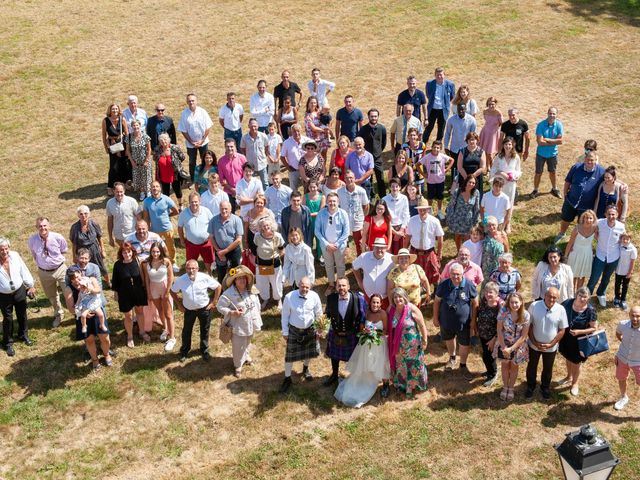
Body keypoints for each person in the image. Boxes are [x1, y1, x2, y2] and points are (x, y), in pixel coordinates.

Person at [334, 293, 391, 406]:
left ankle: (385, 384)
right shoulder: (366, 313)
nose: (375, 304)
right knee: (366, 363)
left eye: (377, 302)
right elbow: (362, 329)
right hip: (366, 343)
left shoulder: (383, 314)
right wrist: (366, 333)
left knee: (382, 363)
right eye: (373, 302)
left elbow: (385, 330)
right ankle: (365, 380)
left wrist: (376, 334)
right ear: (370, 303)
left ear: (381, 304)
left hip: (379, 343)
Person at [171, 259, 221, 362]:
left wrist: (214, 302)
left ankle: (204, 350)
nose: (191, 270)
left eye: (193, 268)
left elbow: (218, 286)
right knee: (187, 331)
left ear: (197, 269)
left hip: (204, 308)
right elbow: (172, 291)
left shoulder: (204, 278)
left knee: (205, 330)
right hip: (189, 310)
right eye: (189, 268)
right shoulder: (181, 280)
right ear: (185, 269)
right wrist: (179, 304)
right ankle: (184, 351)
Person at [433, 263, 478, 378]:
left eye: (458, 274)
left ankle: (463, 365)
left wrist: (473, 320)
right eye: (453, 274)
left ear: (462, 274)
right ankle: (452, 358)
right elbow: (437, 301)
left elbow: (475, 303)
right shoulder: (444, 284)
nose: (455, 277)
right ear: (449, 274)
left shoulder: (469, 285)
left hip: (464, 323)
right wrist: (435, 317)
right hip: (446, 321)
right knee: (449, 339)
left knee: (464, 343)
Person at [217, 265, 262, 377]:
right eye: (239, 278)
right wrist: (232, 313)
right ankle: (238, 365)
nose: (242, 280)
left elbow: (257, 304)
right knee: (238, 345)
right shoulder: (228, 294)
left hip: (251, 322)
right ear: (234, 280)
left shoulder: (251, 290)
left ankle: (246, 356)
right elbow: (220, 306)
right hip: (238, 325)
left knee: (248, 341)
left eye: (244, 278)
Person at [279, 277, 323, 393]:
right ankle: (287, 378)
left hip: (310, 330)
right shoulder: (289, 297)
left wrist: (320, 330)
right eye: (302, 286)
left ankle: (305, 369)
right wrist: (285, 332)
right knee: (290, 355)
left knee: (309, 352)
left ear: (310, 287)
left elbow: (319, 314)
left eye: (307, 287)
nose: (304, 289)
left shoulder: (314, 296)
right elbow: (285, 316)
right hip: (294, 331)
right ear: (298, 284)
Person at [554, 150, 605, 244]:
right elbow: (567, 182)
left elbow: (612, 178)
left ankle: (579, 239)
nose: (590, 162)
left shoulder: (601, 172)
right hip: (571, 201)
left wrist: (622, 185)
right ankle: (562, 234)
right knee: (566, 218)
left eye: (592, 160)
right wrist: (565, 195)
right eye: (588, 160)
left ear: (596, 161)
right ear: (585, 159)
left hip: (587, 206)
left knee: (583, 224)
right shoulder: (576, 167)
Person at [65, 269, 112, 370]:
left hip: (97, 311)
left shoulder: (91, 279)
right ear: (71, 280)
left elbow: (98, 290)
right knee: (89, 340)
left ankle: (106, 354)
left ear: (81, 274)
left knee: (105, 338)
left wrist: (88, 287)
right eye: (74, 279)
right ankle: (95, 360)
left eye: (78, 277)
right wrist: (83, 313)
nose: (77, 280)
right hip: (83, 316)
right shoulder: (69, 289)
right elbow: (71, 308)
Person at [526, 287, 568, 399]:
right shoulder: (534, 306)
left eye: (555, 297)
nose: (552, 299)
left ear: (558, 298)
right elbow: (528, 326)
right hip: (533, 345)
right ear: (544, 295)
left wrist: (552, 344)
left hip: (550, 348)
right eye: (549, 296)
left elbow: (562, 330)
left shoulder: (561, 310)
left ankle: (545, 387)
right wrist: (534, 342)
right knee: (531, 366)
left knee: (548, 368)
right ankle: (530, 386)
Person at [27, 217, 68, 327]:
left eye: (45, 225)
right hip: (44, 272)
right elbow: (34, 255)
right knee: (52, 296)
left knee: (69, 292)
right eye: (40, 226)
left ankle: (77, 313)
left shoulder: (58, 237)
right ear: (36, 227)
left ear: (49, 226)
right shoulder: (32, 240)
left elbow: (64, 250)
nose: (43, 228)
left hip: (60, 269)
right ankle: (59, 314)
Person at [388, 287, 429, 397]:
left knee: (414, 365)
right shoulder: (391, 310)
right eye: (395, 297)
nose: (398, 299)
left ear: (405, 297)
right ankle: (402, 385)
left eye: (400, 296)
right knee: (401, 366)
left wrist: (425, 341)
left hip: (413, 345)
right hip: (398, 346)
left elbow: (422, 325)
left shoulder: (412, 308)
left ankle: (413, 387)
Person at [323, 278, 364, 387]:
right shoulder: (331, 298)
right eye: (339, 285)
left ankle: (354, 377)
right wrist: (322, 325)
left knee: (354, 357)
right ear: (336, 287)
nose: (341, 288)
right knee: (334, 356)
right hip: (336, 332)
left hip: (351, 334)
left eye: (343, 285)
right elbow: (327, 314)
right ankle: (334, 375)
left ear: (349, 286)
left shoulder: (357, 298)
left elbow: (362, 315)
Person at [557, 287, 598, 396]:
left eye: (585, 297)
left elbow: (594, 328)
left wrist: (580, 331)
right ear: (576, 295)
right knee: (567, 357)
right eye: (580, 295)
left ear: (588, 298)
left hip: (579, 341)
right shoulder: (567, 303)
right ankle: (568, 377)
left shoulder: (590, 310)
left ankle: (575, 383)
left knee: (576, 362)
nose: (582, 298)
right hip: (566, 338)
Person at [0, 238, 36, 357]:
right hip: (3, 295)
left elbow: (23, 270)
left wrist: (30, 286)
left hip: (19, 291)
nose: (4, 252)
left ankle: (23, 335)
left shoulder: (15, 256)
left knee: (22, 314)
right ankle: (8, 343)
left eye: (6, 248)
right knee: (8, 319)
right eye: (1, 249)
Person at [587, 205, 626, 307]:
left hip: (614, 257)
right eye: (609, 214)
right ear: (605, 214)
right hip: (600, 255)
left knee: (606, 278)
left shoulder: (621, 227)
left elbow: (624, 238)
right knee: (594, 278)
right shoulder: (600, 223)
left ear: (617, 215)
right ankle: (587, 296)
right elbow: (592, 229)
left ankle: (601, 293)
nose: (611, 216)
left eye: (613, 214)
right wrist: (595, 235)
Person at [494, 292, 530, 401]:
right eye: (512, 302)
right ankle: (505, 387)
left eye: (516, 302)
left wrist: (511, 349)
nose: (514, 305)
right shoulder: (503, 312)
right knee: (505, 366)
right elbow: (499, 329)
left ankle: (511, 388)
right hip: (504, 342)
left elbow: (524, 336)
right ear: (508, 303)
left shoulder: (525, 315)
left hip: (518, 345)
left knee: (514, 366)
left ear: (521, 302)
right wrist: (504, 346)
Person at [111, 242, 148, 348]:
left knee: (140, 312)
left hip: (138, 292)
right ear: (121, 253)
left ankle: (142, 332)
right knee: (129, 316)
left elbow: (144, 277)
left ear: (132, 252)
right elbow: (115, 281)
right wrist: (115, 293)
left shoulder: (138, 262)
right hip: (124, 293)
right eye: (124, 252)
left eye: (129, 251)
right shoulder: (118, 265)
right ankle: (130, 336)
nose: (127, 254)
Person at [142, 241, 175, 351]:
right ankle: (165, 329)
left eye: (157, 251)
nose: (155, 254)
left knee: (168, 313)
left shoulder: (166, 262)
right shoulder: (147, 263)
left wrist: (167, 291)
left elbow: (171, 277)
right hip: (153, 288)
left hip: (164, 287)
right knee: (160, 311)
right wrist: (148, 292)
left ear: (161, 251)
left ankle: (172, 338)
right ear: (150, 252)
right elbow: (146, 279)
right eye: (153, 252)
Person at [315, 193, 350, 295]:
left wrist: (337, 244)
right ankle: (331, 284)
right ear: (326, 202)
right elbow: (317, 231)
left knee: (340, 265)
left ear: (338, 202)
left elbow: (346, 232)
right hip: (326, 246)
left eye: (334, 201)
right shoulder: (321, 214)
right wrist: (326, 244)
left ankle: (341, 286)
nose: (332, 203)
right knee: (329, 265)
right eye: (330, 201)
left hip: (339, 246)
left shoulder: (343, 213)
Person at [406, 197, 444, 286]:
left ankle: (436, 292)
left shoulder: (434, 221)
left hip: (429, 252)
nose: (422, 212)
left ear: (428, 209)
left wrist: (439, 252)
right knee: (414, 272)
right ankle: (418, 290)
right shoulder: (412, 220)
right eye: (420, 210)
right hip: (415, 251)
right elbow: (408, 236)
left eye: (424, 210)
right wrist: (405, 250)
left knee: (434, 271)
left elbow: (440, 237)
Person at [143, 181, 179, 270]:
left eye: (156, 186)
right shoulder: (147, 201)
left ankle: (173, 262)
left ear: (160, 188)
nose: (155, 188)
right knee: (156, 248)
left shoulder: (166, 199)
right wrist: (147, 230)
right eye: (153, 187)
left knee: (171, 247)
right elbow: (146, 217)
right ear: (150, 189)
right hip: (154, 230)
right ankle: (158, 262)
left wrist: (168, 215)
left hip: (167, 228)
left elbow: (176, 211)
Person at [69, 205, 108, 285]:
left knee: (101, 266)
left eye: (85, 213)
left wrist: (103, 250)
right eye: (81, 214)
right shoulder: (74, 227)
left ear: (89, 214)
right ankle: (86, 283)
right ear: (78, 215)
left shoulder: (94, 223)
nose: (83, 216)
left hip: (94, 249)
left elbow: (99, 237)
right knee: (83, 268)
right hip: (82, 251)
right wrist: (74, 256)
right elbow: (74, 243)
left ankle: (108, 282)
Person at [474, 282, 503, 388]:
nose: (488, 294)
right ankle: (489, 371)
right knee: (486, 355)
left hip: (493, 337)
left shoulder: (501, 306)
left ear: (497, 293)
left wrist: (494, 339)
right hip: (483, 334)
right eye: (486, 292)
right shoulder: (484, 302)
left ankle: (493, 374)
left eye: (490, 292)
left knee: (489, 356)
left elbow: (503, 325)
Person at [353, 237, 394, 309]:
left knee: (384, 317)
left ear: (386, 248)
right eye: (377, 247)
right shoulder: (364, 257)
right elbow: (354, 267)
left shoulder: (391, 259)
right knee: (368, 315)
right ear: (373, 247)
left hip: (385, 297)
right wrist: (359, 282)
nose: (379, 250)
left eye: (382, 248)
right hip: (368, 295)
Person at [178, 192, 214, 273]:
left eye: (196, 201)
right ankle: (190, 277)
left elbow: (212, 224)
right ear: (189, 202)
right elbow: (180, 227)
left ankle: (210, 274)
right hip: (191, 244)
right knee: (190, 263)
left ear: (199, 201)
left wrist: (211, 237)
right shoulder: (183, 213)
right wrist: (182, 239)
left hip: (206, 243)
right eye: (192, 202)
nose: (194, 203)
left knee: (209, 261)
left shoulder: (206, 211)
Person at [532, 107, 564, 199]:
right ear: (547, 114)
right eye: (550, 113)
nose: (552, 115)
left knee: (553, 172)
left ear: (556, 115)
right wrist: (554, 141)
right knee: (538, 173)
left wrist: (548, 139)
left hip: (553, 154)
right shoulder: (541, 125)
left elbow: (560, 141)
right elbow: (539, 142)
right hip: (541, 154)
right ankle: (535, 189)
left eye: (554, 114)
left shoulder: (559, 125)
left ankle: (554, 189)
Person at [254, 218, 285, 310]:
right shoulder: (257, 236)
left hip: (274, 264)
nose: (266, 227)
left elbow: (281, 249)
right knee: (262, 283)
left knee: (276, 283)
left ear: (271, 226)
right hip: (261, 264)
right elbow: (255, 247)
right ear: (261, 228)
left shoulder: (277, 236)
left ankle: (278, 299)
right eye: (264, 226)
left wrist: (279, 256)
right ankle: (265, 299)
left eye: (268, 225)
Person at [613, 306, 640, 410]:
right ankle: (624, 397)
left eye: (638, 316)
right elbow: (618, 334)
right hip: (622, 357)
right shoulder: (622, 324)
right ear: (629, 315)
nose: (635, 318)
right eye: (632, 316)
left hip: (638, 361)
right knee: (621, 378)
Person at [208, 201, 243, 282]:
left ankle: (235, 287)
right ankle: (222, 290)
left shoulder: (237, 220)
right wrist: (218, 251)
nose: (224, 211)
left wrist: (225, 251)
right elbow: (211, 237)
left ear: (230, 209)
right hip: (219, 251)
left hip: (234, 251)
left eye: (226, 209)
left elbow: (238, 239)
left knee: (235, 272)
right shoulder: (213, 220)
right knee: (221, 272)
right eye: (222, 209)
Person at [337, 170, 369, 257]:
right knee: (342, 243)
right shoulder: (339, 192)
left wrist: (363, 220)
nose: (349, 180)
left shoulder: (361, 191)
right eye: (347, 178)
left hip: (357, 221)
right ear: (344, 179)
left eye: (351, 178)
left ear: (354, 178)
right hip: (345, 221)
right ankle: (341, 261)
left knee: (359, 243)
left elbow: (366, 206)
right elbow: (338, 206)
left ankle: (360, 260)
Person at [444, 103, 477, 185]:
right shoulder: (451, 120)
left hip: (467, 148)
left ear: (465, 109)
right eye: (459, 109)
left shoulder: (472, 120)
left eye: (462, 109)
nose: (461, 111)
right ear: (456, 110)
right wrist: (445, 146)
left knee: (465, 167)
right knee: (454, 167)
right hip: (454, 148)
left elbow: (473, 135)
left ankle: (465, 183)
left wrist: (473, 147)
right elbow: (447, 133)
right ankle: (454, 184)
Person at [565, 210, 597, 291]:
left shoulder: (595, 229)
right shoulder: (577, 228)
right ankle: (571, 294)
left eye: (590, 218)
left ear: (593, 219)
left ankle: (578, 294)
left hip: (587, 254)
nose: (588, 220)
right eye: (586, 218)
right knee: (573, 275)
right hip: (575, 252)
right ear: (583, 218)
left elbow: (599, 239)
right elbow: (570, 243)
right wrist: (565, 256)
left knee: (582, 275)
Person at [421, 140, 454, 220]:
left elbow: (452, 160)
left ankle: (439, 211)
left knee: (440, 197)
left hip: (440, 180)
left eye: (438, 148)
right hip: (430, 181)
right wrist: (423, 174)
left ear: (440, 149)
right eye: (434, 147)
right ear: (431, 147)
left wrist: (447, 169)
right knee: (430, 197)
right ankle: (430, 210)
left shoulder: (442, 156)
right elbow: (418, 164)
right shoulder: (427, 157)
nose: (436, 149)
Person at [446, 175, 480, 250]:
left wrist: (476, 221)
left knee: (467, 239)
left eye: (473, 183)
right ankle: (459, 252)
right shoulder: (457, 191)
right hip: (457, 219)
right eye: (470, 182)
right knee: (457, 237)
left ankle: (466, 253)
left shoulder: (476, 193)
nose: (471, 184)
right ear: (466, 182)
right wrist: (449, 218)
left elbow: (477, 208)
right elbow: (451, 205)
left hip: (469, 220)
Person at [102, 103, 130, 195]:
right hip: (112, 145)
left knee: (123, 164)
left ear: (119, 110)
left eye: (116, 109)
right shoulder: (105, 121)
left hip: (122, 144)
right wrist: (106, 147)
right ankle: (110, 186)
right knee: (113, 167)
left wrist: (127, 149)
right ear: (110, 110)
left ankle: (123, 184)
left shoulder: (122, 119)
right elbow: (103, 135)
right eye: (113, 109)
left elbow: (127, 134)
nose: (115, 111)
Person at [154, 133, 187, 209]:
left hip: (174, 174)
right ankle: (168, 206)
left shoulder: (175, 148)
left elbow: (182, 157)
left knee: (177, 190)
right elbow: (155, 159)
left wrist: (176, 163)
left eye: (165, 140)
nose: (163, 142)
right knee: (165, 192)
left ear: (168, 140)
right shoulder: (157, 149)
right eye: (161, 141)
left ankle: (180, 205)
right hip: (163, 174)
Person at [489, 136, 521, 211]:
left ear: (512, 145)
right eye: (506, 144)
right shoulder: (499, 156)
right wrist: (501, 173)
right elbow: (493, 169)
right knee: (498, 201)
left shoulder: (516, 157)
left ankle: (507, 220)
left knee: (509, 202)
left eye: (509, 144)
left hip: (510, 184)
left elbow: (518, 170)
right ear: (503, 145)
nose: (507, 146)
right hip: (500, 183)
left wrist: (514, 176)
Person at [424, 67, 455, 144]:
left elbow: (451, 96)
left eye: (441, 75)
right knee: (429, 127)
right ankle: (423, 143)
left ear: (444, 75)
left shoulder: (450, 84)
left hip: (443, 110)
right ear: (435, 75)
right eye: (437, 75)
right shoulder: (429, 83)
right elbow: (428, 95)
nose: (439, 77)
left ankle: (438, 144)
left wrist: (445, 104)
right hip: (432, 109)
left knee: (441, 128)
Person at [106, 182, 142, 248]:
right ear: (113, 191)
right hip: (119, 236)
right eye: (117, 192)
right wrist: (110, 237)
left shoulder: (132, 201)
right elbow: (110, 221)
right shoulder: (109, 203)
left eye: (121, 191)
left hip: (132, 235)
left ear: (124, 191)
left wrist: (140, 233)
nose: (119, 194)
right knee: (124, 255)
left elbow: (139, 218)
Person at [125, 119, 152, 200]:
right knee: (138, 176)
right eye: (134, 125)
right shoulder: (129, 137)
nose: (135, 127)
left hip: (145, 160)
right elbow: (128, 150)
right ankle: (142, 192)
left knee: (147, 176)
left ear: (140, 126)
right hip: (135, 161)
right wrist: (132, 161)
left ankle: (148, 191)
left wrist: (147, 160)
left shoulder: (145, 136)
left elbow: (149, 149)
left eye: (137, 125)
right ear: (131, 127)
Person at [240, 118, 270, 190]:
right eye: (252, 126)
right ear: (248, 126)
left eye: (255, 126)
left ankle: (266, 198)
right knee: (250, 183)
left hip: (262, 164)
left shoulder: (263, 136)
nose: (253, 128)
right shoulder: (244, 138)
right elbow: (242, 149)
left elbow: (267, 146)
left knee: (265, 183)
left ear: (258, 126)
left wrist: (264, 155)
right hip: (250, 165)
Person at [218, 138, 247, 212]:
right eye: (227, 146)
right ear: (225, 147)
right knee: (230, 212)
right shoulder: (221, 161)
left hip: (243, 190)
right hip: (229, 191)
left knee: (245, 212)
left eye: (231, 146)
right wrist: (232, 190)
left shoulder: (242, 158)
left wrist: (238, 190)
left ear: (235, 147)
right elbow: (222, 180)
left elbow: (246, 175)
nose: (229, 148)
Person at [382, 178, 410, 255]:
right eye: (392, 186)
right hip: (389, 228)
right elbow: (384, 217)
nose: (394, 188)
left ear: (400, 187)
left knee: (402, 251)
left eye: (396, 186)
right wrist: (394, 232)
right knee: (389, 252)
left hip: (401, 227)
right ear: (389, 187)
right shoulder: (384, 199)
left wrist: (401, 230)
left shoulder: (404, 198)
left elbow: (406, 215)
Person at [280, 124, 312, 192]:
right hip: (293, 170)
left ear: (301, 131)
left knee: (308, 188)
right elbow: (282, 157)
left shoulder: (307, 141)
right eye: (294, 131)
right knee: (293, 190)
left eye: (298, 131)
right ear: (291, 132)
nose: (296, 133)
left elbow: (314, 152)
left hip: (306, 169)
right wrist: (288, 167)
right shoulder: (287, 143)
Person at [457, 131, 486, 200]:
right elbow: (459, 166)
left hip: (476, 177)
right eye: (470, 139)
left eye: (473, 139)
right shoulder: (462, 151)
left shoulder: (481, 151)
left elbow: (482, 167)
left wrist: (472, 177)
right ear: (467, 140)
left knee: (475, 198)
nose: (471, 141)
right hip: (464, 176)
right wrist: (467, 178)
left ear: (477, 140)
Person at [478, 96, 503, 168]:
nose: (491, 106)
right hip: (485, 133)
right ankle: (487, 167)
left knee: (490, 153)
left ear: (495, 104)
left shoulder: (498, 113)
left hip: (493, 134)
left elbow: (501, 123)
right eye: (489, 104)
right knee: (485, 151)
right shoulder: (485, 111)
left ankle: (492, 168)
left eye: (493, 104)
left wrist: (495, 129)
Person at [401, 128, 427, 195]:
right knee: (409, 189)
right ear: (408, 136)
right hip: (408, 170)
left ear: (417, 136)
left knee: (420, 191)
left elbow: (424, 158)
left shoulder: (422, 145)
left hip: (419, 170)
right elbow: (402, 158)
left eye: (414, 135)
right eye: (411, 135)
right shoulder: (404, 146)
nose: (412, 137)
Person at [303, 180, 325, 259]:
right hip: (308, 222)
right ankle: (309, 256)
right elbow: (303, 209)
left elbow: (321, 211)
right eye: (310, 187)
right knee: (308, 239)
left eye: (314, 187)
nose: (312, 189)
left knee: (319, 239)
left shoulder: (322, 196)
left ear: (317, 187)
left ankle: (320, 256)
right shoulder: (305, 196)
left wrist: (309, 214)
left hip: (319, 221)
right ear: (308, 187)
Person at [614, 233, 636, 311]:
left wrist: (630, 272)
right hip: (618, 270)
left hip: (626, 271)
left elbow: (632, 262)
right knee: (617, 284)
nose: (625, 241)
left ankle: (623, 299)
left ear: (630, 239)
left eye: (627, 239)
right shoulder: (619, 245)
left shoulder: (632, 249)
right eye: (624, 239)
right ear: (621, 239)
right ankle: (617, 297)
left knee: (625, 286)